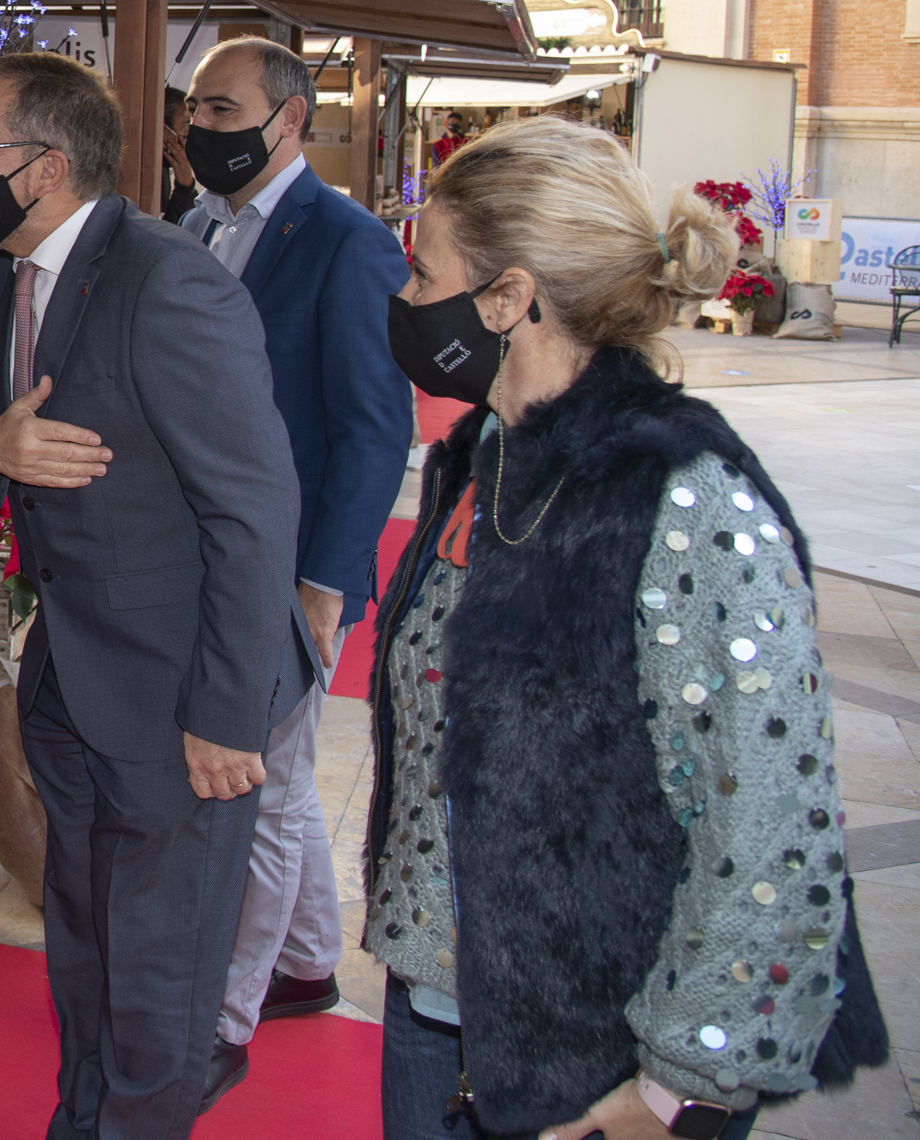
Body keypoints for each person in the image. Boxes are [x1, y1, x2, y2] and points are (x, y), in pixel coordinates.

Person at [370, 117, 886, 1140]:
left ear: (508, 298)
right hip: (438, 1014)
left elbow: (771, 826)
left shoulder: (685, 500)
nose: (403, 302)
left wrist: (671, 1084)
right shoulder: (482, 457)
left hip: (600, 1063)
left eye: (422, 274)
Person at [0, 52, 311, 1139]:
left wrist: (224, 715)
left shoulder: (167, 280)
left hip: (183, 700)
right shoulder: (0, 274)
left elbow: (254, 509)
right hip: (72, 679)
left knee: (159, 983)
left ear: (40, 168)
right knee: (85, 950)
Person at [176, 38, 412, 1084]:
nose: (200, 130)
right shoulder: (191, 226)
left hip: (292, 566)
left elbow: (373, 428)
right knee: (282, 776)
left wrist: (325, 581)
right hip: (204, 551)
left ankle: (220, 1019)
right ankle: (308, 961)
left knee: (256, 787)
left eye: (221, 111)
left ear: (288, 120)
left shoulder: (348, 241)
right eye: (192, 109)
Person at [160, 85, 198, 221]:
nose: (189, 135)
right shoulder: (141, 169)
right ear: (161, 127)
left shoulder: (163, 167)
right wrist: (184, 188)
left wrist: (185, 185)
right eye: (186, 127)